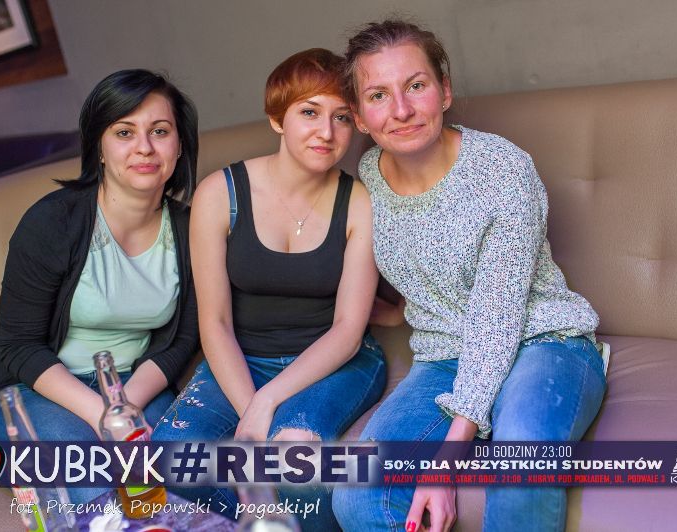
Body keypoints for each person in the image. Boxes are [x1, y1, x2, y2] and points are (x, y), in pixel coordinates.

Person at [332, 20, 607, 532]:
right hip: (443, 359)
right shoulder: (368, 177)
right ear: (361, 117)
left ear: (444, 90)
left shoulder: (503, 169)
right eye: (378, 95)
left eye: (416, 85)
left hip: (540, 341)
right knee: (358, 496)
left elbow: (497, 316)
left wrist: (447, 458)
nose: (401, 110)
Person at [153, 48, 386, 530]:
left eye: (342, 117)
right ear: (278, 119)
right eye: (309, 112)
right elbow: (215, 322)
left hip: (332, 361)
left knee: (295, 466)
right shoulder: (220, 193)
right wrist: (251, 411)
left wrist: (268, 402)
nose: (327, 132)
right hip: (242, 357)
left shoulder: (360, 201)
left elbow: (347, 330)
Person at [0, 69, 200, 504]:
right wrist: (103, 416)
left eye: (160, 131)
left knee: (188, 476)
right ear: (99, 147)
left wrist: (125, 409)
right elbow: (18, 346)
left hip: (133, 384)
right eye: (124, 132)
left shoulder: (191, 228)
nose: (145, 147)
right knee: (95, 483)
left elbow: (184, 339)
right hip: (35, 389)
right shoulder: (52, 222)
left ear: (180, 144)